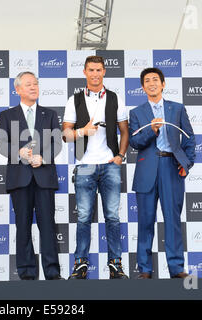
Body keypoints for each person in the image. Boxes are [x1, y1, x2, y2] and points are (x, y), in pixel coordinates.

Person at [62, 56, 129, 279]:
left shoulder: (115, 97)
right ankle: (80, 265)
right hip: (84, 166)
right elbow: (66, 135)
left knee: (112, 217)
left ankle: (115, 266)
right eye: (91, 70)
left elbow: (124, 131)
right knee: (83, 218)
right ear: (84, 72)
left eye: (98, 70)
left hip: (109, 165)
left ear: (104, 71)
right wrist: (83, 131)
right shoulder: (75, 100)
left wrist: (120, 155)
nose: (95, 74)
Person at [0, 71, 63, 280]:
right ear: (17, 90)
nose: (33, 87)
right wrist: (18, 152)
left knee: (48, 225)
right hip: (19, 178)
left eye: (35, 84)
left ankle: (52, 273)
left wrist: (44, 157)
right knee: (22, 225)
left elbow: (57, 143)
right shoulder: (7, 115)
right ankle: (26, 273)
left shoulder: (50, 114)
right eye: (28, 84)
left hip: (44, 177)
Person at [129, 67, 196, 279]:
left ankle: (176, 268)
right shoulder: (137, 113)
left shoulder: (177, 108)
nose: (151, 83)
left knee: (173, 220)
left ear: (163, 84)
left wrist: (186, 164)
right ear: (142, 87)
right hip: (146, 170)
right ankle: (145, 270)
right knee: (145, 221)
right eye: (147, 80)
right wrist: (152, 129)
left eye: (155, 80)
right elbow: (135, 142)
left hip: (171, 168)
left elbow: (190, 140)